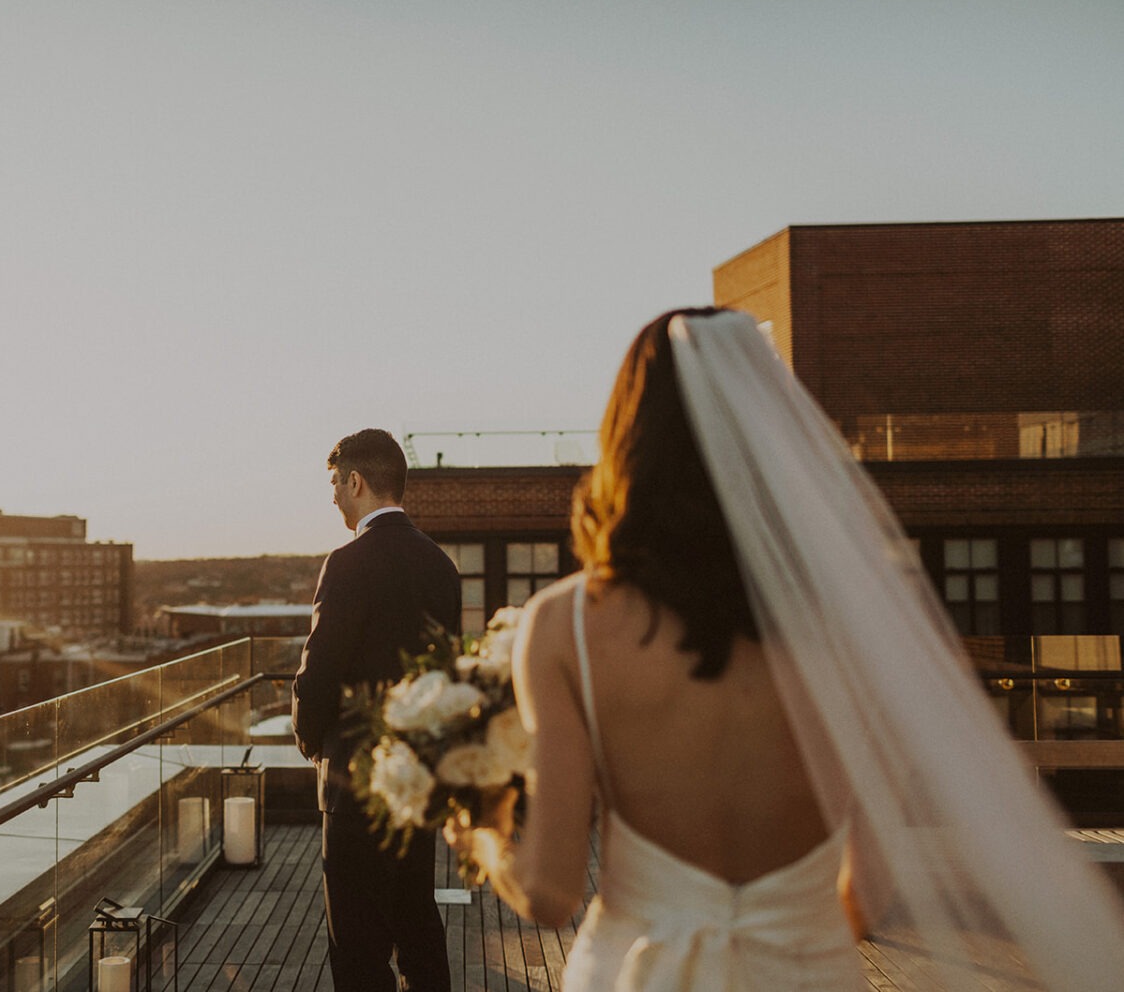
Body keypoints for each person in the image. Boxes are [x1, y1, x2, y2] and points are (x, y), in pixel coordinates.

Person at [444, 308, 1124, 990]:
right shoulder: (854, 627)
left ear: (629, 437)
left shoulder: (567, 626)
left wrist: (483, 832)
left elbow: (551, 893)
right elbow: (865, 897)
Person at [293, 428, 459, 992]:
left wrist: (312, 743)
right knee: (418, 923)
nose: (334, 497)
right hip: (417, 781)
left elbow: (318, 675)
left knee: (359, 949)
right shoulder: (441, 566)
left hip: (354, 785)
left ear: (357, 481)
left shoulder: (346, 563)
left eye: (336, 484)